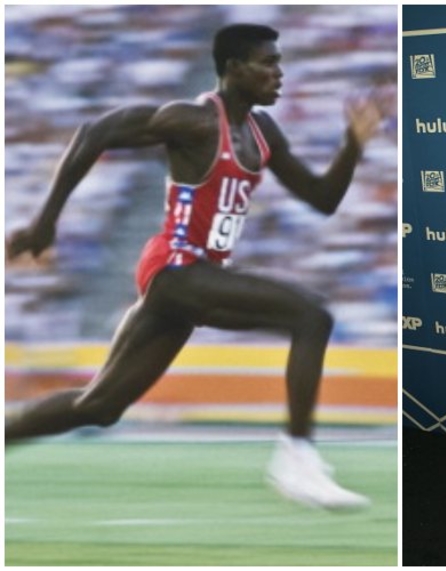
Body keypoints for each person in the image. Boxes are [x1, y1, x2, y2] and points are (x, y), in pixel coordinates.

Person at [6, 23, 390, 510]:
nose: (280, 73)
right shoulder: (193, 121)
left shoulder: (262, 132)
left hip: (193, 282)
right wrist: (45, 223)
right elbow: (94, 131)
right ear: (233, 69)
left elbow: (322, 199)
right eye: (267, 63)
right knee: (311, 315)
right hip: (176, 269)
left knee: (99, 406)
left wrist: (353, 146)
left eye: (280, 62)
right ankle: (297, 458)